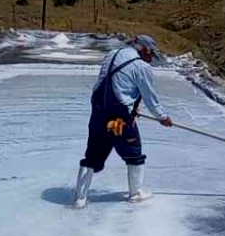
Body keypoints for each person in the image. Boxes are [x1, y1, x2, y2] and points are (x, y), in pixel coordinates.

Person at [72, 34, 173, 209]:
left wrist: (132, 106)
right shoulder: (141, 67)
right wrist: (162, 117)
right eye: (151, 55)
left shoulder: (113, 54)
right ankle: (135, 194)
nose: (151, 59)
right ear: (145, 49)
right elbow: (150, 97)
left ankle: (80, 198)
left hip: (98, 114)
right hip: (117, 119)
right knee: (133, 152)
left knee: (93, 154)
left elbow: (114, 84)